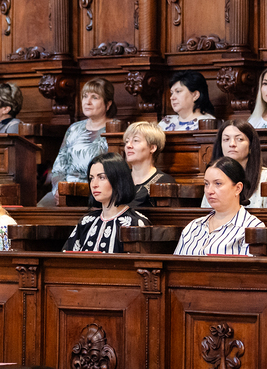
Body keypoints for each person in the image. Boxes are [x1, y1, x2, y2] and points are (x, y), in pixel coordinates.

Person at [38, 78, 115, 206]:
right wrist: (58, 189)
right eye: (85, 96)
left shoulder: (116, 128)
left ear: (108, 104)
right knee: (39, 209)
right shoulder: (74, 128)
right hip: (65, 190)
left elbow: (116, 172)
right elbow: (59, 166)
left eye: (94, 97)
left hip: (95, 193)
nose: (87, 102)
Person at [174, 158, 265, 256]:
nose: (209, 191)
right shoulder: (193, 227)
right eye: (206, 184)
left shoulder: (253, 228)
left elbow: (250, 265)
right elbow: (176, 264)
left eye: (218, 183)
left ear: (238, 188)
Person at [62, 153, 149, 253]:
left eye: (102, 177)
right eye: (91, 178)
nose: (94, 184)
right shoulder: (86, 222)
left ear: (119, 180)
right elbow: (66, 258)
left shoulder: (136, 223)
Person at [201, 120, 267, 209]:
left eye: (239, 139)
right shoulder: (213, 175)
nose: (232, 144)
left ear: (251, 145)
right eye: (226, 139)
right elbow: (206, 212)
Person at [124, 121, 175, 208]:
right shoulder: (119, 178)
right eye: (127, 141)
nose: (128, 145)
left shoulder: (164, 182)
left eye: (136, 140)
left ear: (152, 148)